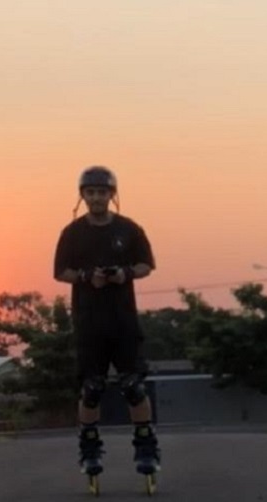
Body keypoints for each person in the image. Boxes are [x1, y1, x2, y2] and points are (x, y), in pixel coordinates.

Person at [53, 165, 160, 480]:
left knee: (133, 386)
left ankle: (145, 446)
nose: (96, 198)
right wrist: (87, 277)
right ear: (82, 196)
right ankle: (89, 448)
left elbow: (146, 265)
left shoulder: (129, 229)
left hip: (123, 320)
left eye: (102, 192)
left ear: (112, 195)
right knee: (92, 388)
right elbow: (60, 272)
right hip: (89, 322)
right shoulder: (71, 233)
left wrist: (123, 273)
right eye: (91, 193)